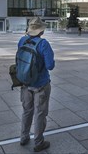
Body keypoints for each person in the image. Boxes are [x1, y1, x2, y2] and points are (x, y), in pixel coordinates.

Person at [18, 17, 55, 152]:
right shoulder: (43, 44)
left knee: (26, 111)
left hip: (25, 83)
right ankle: (38, 142)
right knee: (40, 113)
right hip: (41, 84)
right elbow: (50, 65)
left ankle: (24, 137)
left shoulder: (22, 40)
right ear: (41, 31)